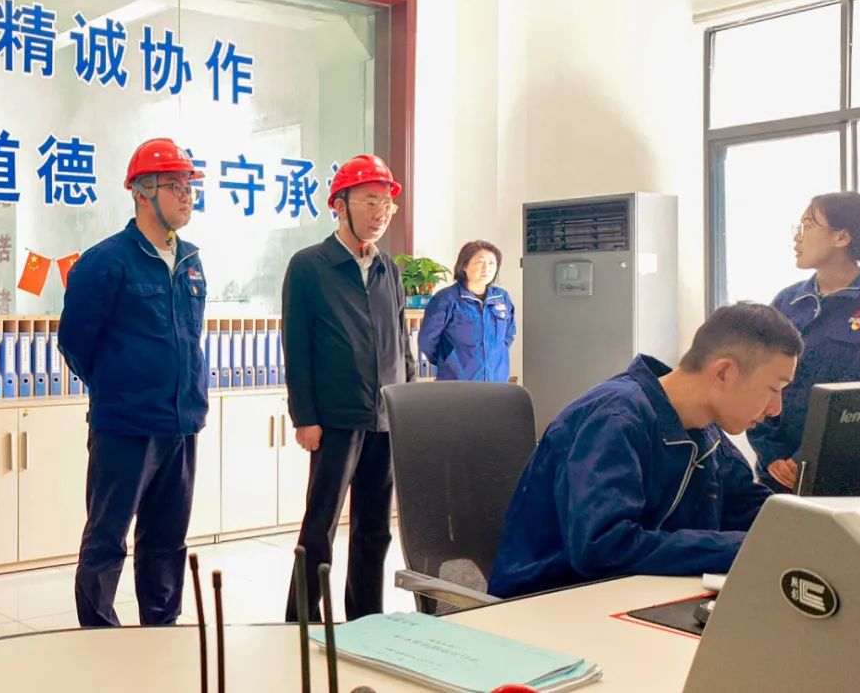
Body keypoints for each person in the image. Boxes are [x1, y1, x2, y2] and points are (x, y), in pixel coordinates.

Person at [488, 303, 801, 598]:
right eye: (774, 389)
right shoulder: (615, 419)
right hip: (549, 604)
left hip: (629, 597)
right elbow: (603, 547)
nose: (776, 409)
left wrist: (806, 533)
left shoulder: (704, 430)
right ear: (724, 373)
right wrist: (745, 548)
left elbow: (754, 512)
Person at [59, 137, 208, 627]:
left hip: (181, 424)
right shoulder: (105, 262)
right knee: (107, 538)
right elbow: (75, 342)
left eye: (189, 186)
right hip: (125, 427)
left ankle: (160, 634)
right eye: (174, 186)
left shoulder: (191, 260)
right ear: (141, 192)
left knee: (166, 541)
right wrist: (117, 388)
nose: (186, 196)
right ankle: (98, 635)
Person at [283, 154, 414, 622]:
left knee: (375, 528)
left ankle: (366, 619)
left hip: (384, 417)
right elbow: (296, 347)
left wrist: (408, 407)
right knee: (320, 525)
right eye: (370, 201)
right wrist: (305, 417)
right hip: (335, 419)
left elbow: (401, 341)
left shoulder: (388, 269)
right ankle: (301, 619)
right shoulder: (309, 266)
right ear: (340, 205)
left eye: (386, 204)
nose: (380, 213)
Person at [748, 191, 860, 491]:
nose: (797, 238)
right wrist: (771, 453)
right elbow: (756, 381)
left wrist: (807, 458)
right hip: (780, 476)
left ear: (842, 237)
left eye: (807, 226)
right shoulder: (787, 302)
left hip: (853, 478)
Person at [418, 240, 516, 382]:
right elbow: (427, 340)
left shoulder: (501, 297)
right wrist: (448, 360)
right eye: (480, 262)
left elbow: (508, 335)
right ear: (464, 265)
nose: (486, 268)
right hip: (457, 381)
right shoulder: (446, 298)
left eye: (491, 263)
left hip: (496, 381)